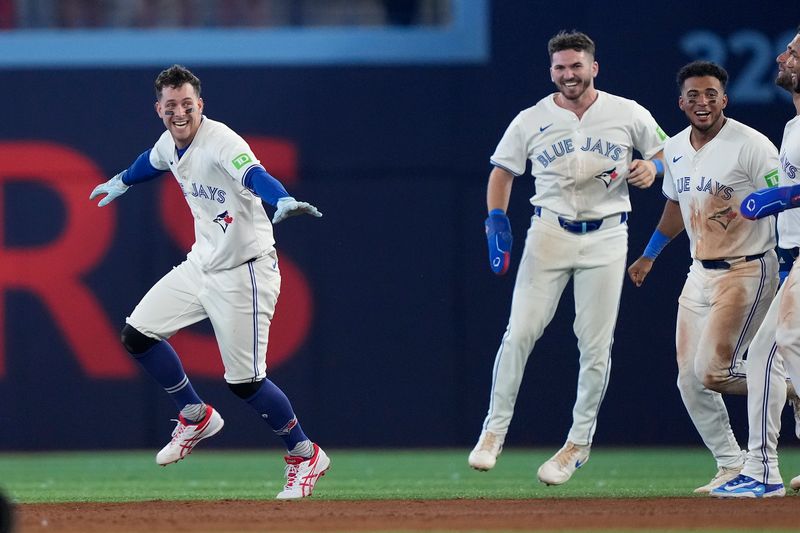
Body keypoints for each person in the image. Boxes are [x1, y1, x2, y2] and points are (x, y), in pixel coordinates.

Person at [89, 64, 327, 500]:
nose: (179, 112)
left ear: (200, 105)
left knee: (245, 383)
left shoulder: (221, 141)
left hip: (246, 271)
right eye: (170, 105)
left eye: (186, 104)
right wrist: (122, 180)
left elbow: (253, 174)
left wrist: (283, 198)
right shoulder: (168, 142)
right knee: (137, 334)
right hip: (202, 264)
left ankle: (304, 453)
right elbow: (153, 161)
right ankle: (194, 414)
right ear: (158, 109)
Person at [468, 30, 667, 485]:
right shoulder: (532, 118)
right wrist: (495, 219)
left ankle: (578, 445)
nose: (569, 74)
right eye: (560, 67)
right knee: (519, 331)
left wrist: (652, 167)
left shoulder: (626, 111)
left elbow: (665, 151)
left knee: (594, 346)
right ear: (551, 70)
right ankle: (493, 432)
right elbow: (503, 170)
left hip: (607, 236)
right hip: (550, 232)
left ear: (594, 67)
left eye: (577, 65)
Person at [627, 61, 781, 494]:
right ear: (681, 103)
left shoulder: (751, 144)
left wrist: (748, 207)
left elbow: (785, 196)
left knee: (714, 371)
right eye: (694, 95)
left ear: (724, 100)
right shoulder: (674, 148)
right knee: (689, 378)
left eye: (711, 94)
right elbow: (678, 206)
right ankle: (731, 464)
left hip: (748, 266)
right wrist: (649, 255)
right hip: (699, 272)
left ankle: (787, 386)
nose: (703, 102)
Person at [710, 27, 800, 498]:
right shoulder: (792, 126)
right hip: (795, 258)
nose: (784, 55)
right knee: (765, 354)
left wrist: (785, 196)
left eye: (795, 51)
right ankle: (763, 470)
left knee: (785, 343)